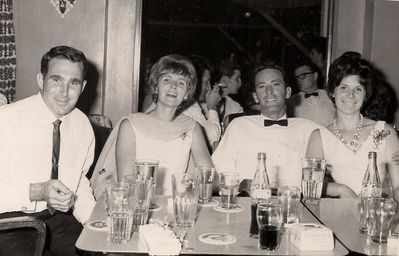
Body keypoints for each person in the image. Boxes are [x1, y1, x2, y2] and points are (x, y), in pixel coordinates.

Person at [0, 46, 96, 256]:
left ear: (83, 87)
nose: (64, 92)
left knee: (98, 250)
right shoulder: (6, 120)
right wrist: (38, 191)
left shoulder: (82, 125)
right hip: (10, 223)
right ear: (41, 80)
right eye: (56, 80)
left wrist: (93, 220)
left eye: (73, 83)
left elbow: (79, 181)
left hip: (59, 220)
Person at [91, 54, 213, 198]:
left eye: (181, 83)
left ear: (187, 94)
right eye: (167, 80)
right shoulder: (130, 125)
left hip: (177, 209)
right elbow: (127, 184)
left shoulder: (192, 127)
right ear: (156, 87)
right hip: (139, 208)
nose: (173, 86)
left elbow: (208, 178)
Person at [212, 61, 320, 194]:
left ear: (287, 92)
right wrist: (240, 186)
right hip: (246, 208)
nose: (269, 92)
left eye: (275, 84)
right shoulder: (238, 126)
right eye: (262, 86)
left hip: (292, 208)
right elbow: (214, 178)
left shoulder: (309, 130)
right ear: (255, 97)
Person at [306, 53, 399, 202]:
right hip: (340, 216)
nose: (351, 95)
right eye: (344, 87)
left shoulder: (385, 132)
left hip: (376, 216)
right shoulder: (319, 136)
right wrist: (340, 189)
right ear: (333, 91)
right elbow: (310, 183)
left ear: (365, 95)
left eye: (358, 89)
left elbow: (397, 188)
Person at [182, 55, 221, 151]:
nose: (209, 87)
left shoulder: (197, 104)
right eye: (206, 82)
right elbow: (211, 138)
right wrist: (212, 107)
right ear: (195, 82)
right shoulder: (188, 104)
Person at [287, 59, 336, 126]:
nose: (299, 80)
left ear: (315, 76)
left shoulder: (331, 96)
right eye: (297, 77)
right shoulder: (291, 102)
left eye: (302, 75)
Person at [212, 58, 244, 132]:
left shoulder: (235, 106)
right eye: (237, 78)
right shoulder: (203, 103)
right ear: (224, 81)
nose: (240, 82)